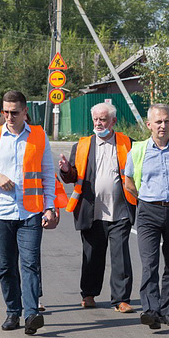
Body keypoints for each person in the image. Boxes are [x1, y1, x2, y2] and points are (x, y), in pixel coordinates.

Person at [0, 90, 66, 335]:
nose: (9, 117)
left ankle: (32, 313)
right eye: (5, 112)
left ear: (25, 112)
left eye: (14, 112)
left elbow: (47, 174)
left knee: (31, 264)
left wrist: (50, 206)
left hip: (31, 212)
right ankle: (13, 311)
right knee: (6, 266)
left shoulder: (38, 136)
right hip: (1, 212)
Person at [123, 104, 169, 329]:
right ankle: (150, 311)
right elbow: (128, 182)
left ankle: (168, 310)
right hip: (148, 211)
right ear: (149, 125)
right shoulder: (137, 151)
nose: (163, 125)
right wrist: (148, 197)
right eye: (158, 122)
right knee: (149, 263)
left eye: (166, 121)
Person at [58, 102, 137, 313]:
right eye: (96, 119)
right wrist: (66, 170)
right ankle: (89, 294)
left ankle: (121, 299)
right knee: (92, 255)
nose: (99, 123)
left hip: (120, 210)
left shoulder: (128, 143)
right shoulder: (82, 145)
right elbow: (73, 176)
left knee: (120, 256)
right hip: (91, 211)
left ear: (113, 121)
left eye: (103, 119)